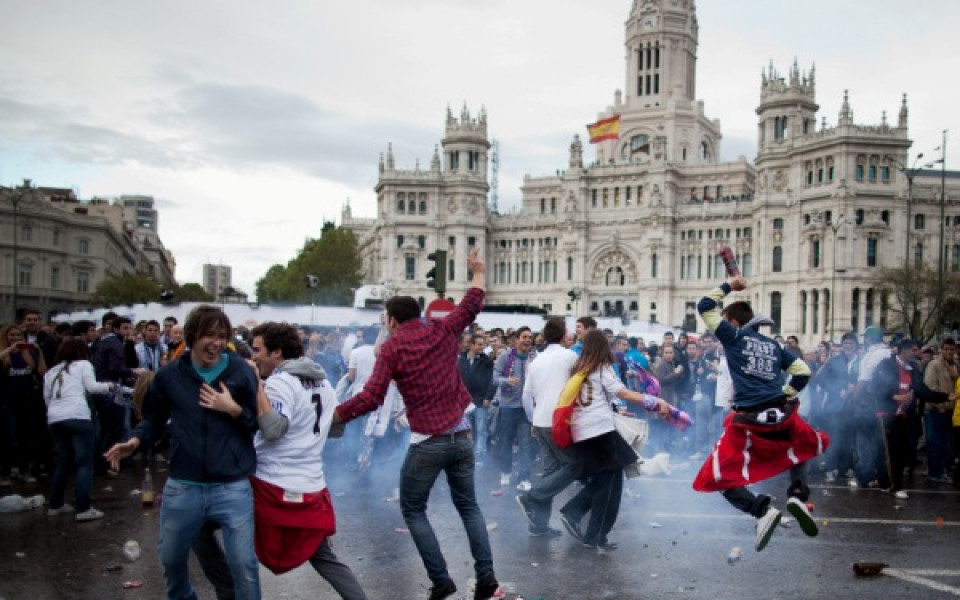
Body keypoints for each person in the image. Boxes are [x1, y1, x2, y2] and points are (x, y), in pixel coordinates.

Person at [332, 248, 498, 600]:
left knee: (412, 508)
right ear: (417, 315)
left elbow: (371, 397)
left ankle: (441, 580)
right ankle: (487, 578)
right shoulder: (441, 330)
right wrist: (478, 272)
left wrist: (338, 415)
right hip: (461, 436)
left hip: (428, 442)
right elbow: (472, 303)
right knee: (469, 506)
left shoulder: (392, 349)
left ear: (391, 321)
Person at [192, 322, 368, 600]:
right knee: (323, 557)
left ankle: (228, 591)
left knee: (198, 525)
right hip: (310, 488)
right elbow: (333, 430)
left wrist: (251, 394)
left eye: (258, 350)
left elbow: (274, 430)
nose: (254, 356)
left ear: (277, 353)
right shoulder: (324, 382)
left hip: (268, 487)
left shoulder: (280, 382)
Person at [104, 305, 262, 600]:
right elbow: (152, 420)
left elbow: (255, 423)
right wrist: (135, 441)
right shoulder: (169, 376)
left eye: (221, 336)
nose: (216, 343)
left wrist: (233, 410)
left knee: (244, 564)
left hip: (231, 485)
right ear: (192, 336)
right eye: (208, 335)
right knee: (171, 559)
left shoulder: (240, 371)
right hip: (184, 485)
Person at [692, 276, 824, 552]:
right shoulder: (775, 346)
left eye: (726, 321)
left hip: (749, 419)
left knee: (717, 475)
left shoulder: (734, 337)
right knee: (800, 447)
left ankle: (761, 510)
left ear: (734, 323)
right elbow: (803, 371)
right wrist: (786, 394)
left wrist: (729, 285)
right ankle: (798, 496)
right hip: (780, 414)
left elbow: (705, 306)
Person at [559, 330, 669, 550]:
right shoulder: (601, 369)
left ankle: (586, 524)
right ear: (602, 348)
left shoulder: (577, 369)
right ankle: (593, 533)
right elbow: (625, 393)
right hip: (600, 431)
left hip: (583, 432)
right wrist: (655, 401)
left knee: (606, 481)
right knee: (608, 485)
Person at [516, 317, 578, 537]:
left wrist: (533, 419)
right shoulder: (570, 357)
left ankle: (539, 525)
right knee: (574, 466)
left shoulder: (536, 361)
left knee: (551, 472)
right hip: (559, 422)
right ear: (563, 336)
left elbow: (526, 395)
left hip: (541, 421)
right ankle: (531, 496)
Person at [42, 338, 114, 521]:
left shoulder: (51, 371)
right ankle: (83, 508)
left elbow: (47, 398)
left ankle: (55, 504)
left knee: (63, 462)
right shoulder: (83, 365)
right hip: (78, 416)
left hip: (55, 418)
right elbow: (92, 387)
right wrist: (110, 386)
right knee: (84, 462)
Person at [92, 316, 145, 475]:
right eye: (125, 328)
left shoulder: (105, 341)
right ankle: (104, 463)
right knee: (113, 428)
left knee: (107, 428)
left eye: (130, 328)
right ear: (116, 329)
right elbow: (116, 367)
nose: (128, 331)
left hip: (103, 388)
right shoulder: (115, 344)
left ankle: (101, 462)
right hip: (110, 390)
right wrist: (133, 371)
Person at [0, 325, 48, 485]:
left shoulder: (29, 353)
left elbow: (42, 372)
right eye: (12, 335)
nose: (15, 338)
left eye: (18, 335)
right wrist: (9, 350)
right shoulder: (5, 354)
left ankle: (24, 470)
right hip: (8, 402)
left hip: (28, 401)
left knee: (26, 438)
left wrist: (39, 352)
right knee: (9, 438)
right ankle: (5, 472)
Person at [492, 326, 537, 490]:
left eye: (529, 337)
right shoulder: (505, 356)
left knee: (525, 444)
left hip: (526, 408)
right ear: (517, 339)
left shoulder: (534, 358)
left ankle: (523, 478)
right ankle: (506, 472)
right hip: (508, 407)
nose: (527, 340)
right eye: (524, 337)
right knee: (506, 442)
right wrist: (506, 381)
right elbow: (495, 378)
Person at [922, 338, 957, 484]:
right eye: (946, 349)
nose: (949, 352)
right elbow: (930, 388)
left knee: (944, 444)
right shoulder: (934, 364)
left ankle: (940, 470)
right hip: (936, 410)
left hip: (950, 410)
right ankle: (935, 472)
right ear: (941, 350)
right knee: (935, 443)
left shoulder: (954, 365)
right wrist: (940, 406)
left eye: (951, 349)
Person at [458, 333, 494, 462]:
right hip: (464, 401)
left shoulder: (487, 361)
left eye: (483, 344)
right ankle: (465, 456)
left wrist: (488, 397)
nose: (482, 347)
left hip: (480, 401)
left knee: (481, 430)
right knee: (465, 430)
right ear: (472, 345)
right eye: (479, 344)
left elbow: (492, 380)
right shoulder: (460, 359)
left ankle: (479, 458)